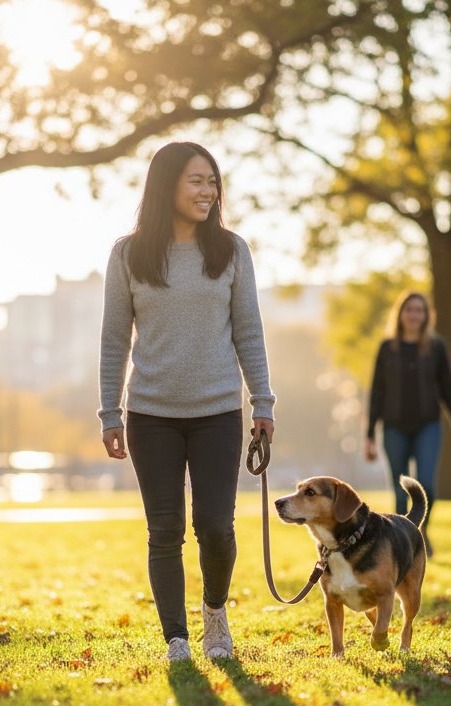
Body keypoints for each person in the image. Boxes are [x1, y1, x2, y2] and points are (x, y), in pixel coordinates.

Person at [99, 141, 275, 663]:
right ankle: (176, 637)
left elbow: (249, 330)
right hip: (150, 414)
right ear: (167, 185)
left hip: (219, 411)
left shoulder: (231, 250)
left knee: (217, 528)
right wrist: (110, 411)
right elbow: (114, 339)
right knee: (165, 530)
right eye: (196, 180)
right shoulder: (129, 254)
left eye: (212, 181)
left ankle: (215, 617)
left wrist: (262, 402)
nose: (208, 191)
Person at [364, 290, 451, 558]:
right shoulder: (387, 348)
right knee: (399, 490)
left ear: (426, 316)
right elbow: (376, 392)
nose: (414, 315)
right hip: (394, 426)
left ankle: (420, 532)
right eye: (409, 310)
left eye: (419, 310)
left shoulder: (436, 348)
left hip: (428, 426)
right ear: (401, 314)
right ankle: (400, 543)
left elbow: (448, 389)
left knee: (427, 485)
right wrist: (370, 433)